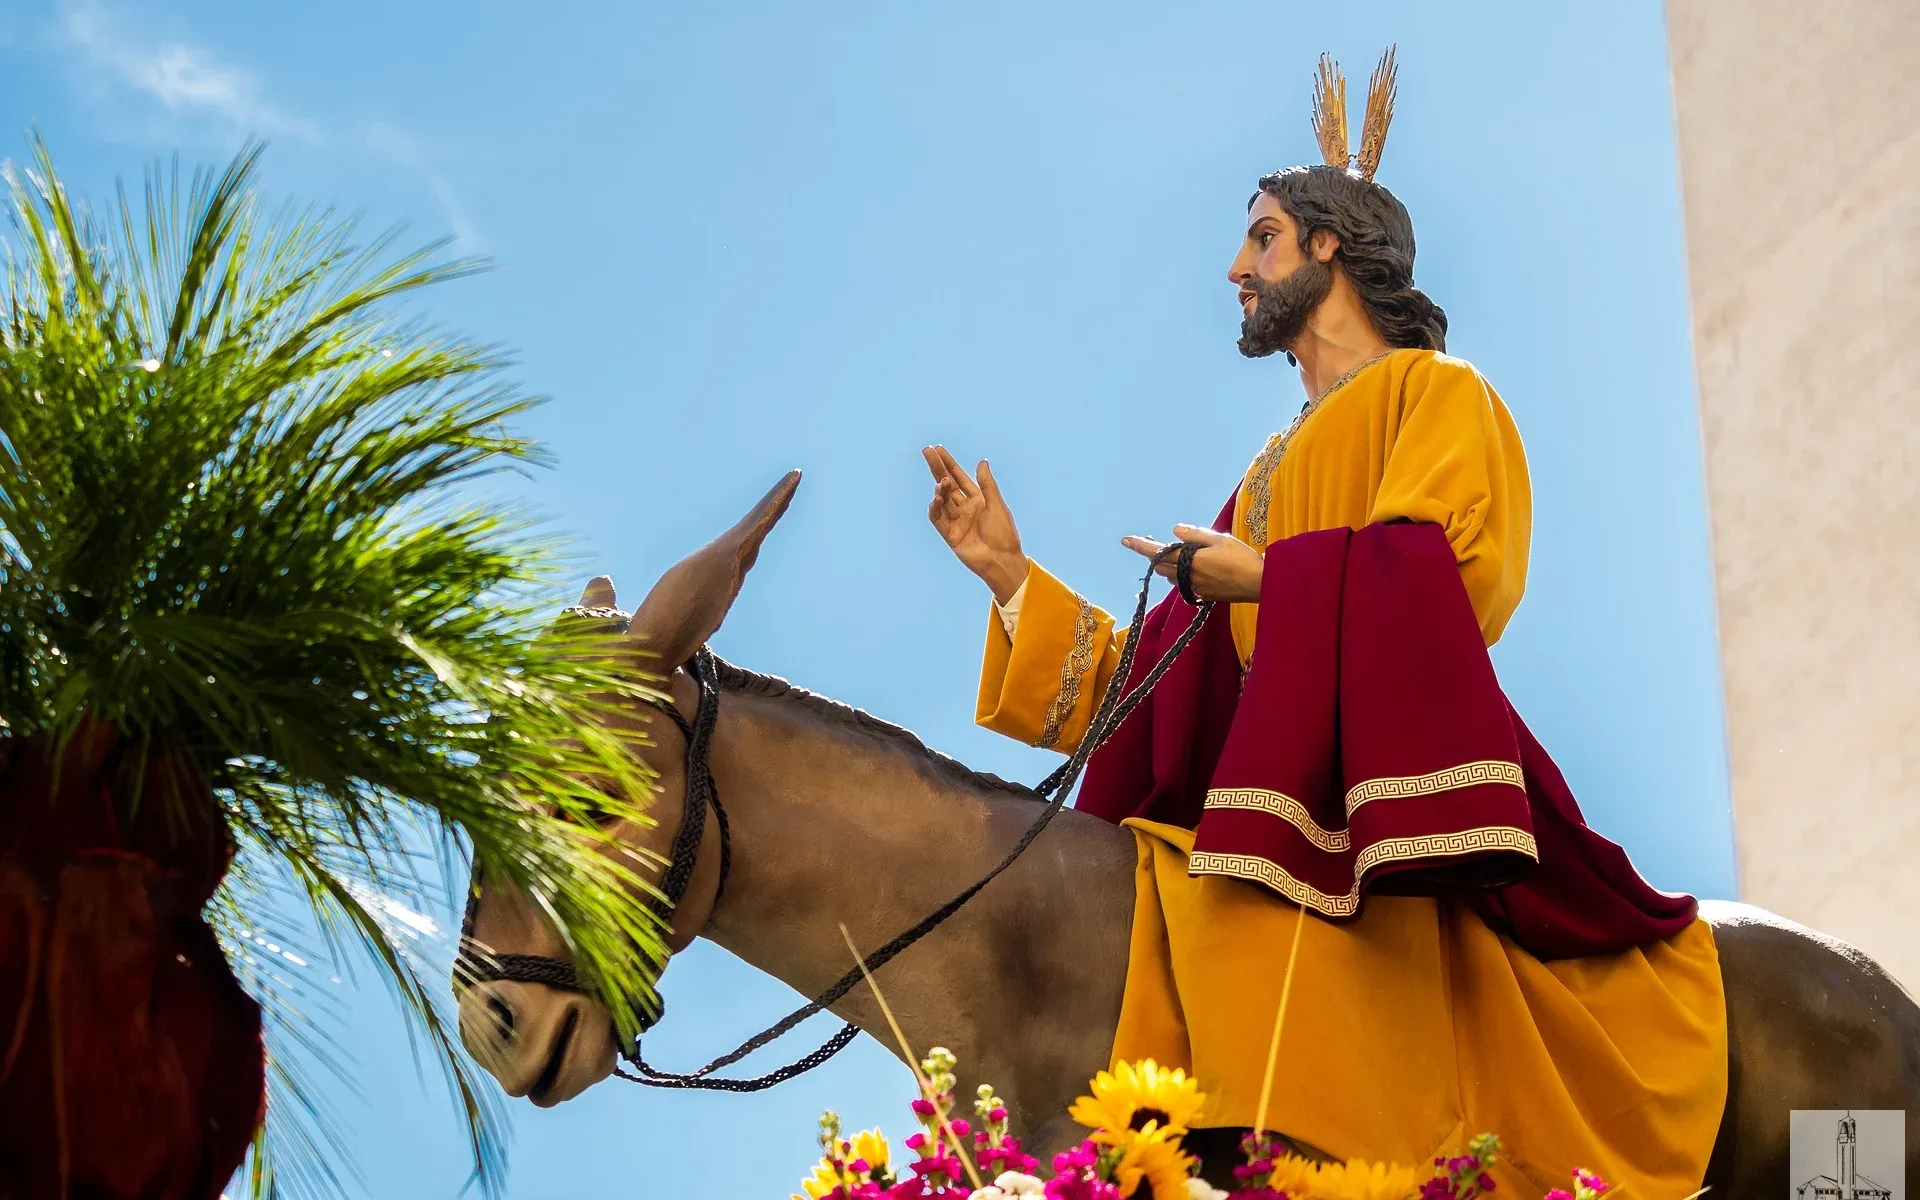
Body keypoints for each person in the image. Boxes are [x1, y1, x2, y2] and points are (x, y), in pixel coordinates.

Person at [924, 50, 1727, 1200]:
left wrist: (1269, 579)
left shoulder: (1437, 394)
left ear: (1329, 245)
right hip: (1264, 816)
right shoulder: (1261, 477)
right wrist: (1010, 576)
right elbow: (1155, 691)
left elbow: (1453, 579)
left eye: (1260, 238)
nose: (1236, 268)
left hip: (1369, 818)